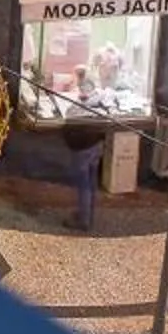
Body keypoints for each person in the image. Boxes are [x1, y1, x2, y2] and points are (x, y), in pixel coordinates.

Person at [60, 77, 109, 232]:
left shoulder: (80, 107)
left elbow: (69, 117)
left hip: (83, 147)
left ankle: (83, 220)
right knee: (91, 181)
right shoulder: (101, 102)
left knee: (83, 184)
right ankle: (87, 213)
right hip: (96, 145)